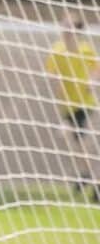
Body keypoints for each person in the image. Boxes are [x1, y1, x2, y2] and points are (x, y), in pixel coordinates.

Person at [45, 15, 100, 202]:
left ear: (77, 31)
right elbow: (50, 72)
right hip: (66, 105)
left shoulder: (86, 49)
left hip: (85, 103)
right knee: (71, 140)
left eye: (69, 26)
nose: (65, 30)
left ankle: (92, 180)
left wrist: (92, 81)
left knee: (81, 141)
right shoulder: (57, 50)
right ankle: (87, 174)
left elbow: (97, 68)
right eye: (64, 26)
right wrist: (56, 81)